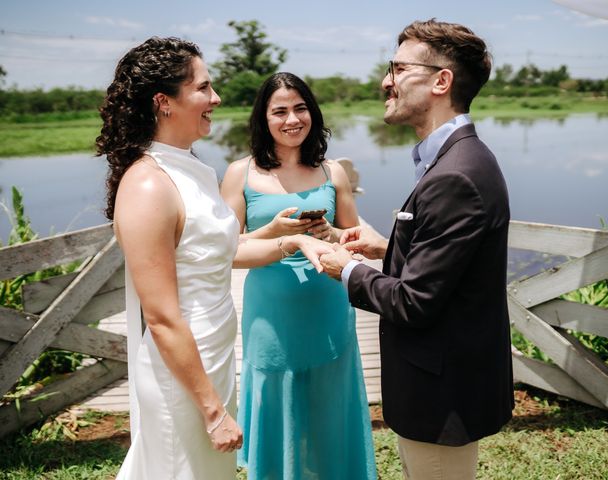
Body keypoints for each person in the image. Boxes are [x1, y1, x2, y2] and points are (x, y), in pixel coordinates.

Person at [96, 38, 332, 480]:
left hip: (214, 357)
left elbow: (222, 252)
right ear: (165, 102)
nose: (216, 98)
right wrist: (211, 410)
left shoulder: (193, 169)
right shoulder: (148, 184)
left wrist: (293, 241)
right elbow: (163, 316)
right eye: (203, 88)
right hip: (183, 375)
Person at [320, 19, 514, 479]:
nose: (385, 81)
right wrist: (387, 249)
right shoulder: (454, 160)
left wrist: (346, 268)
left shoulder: (455, 175)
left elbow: (414, 303)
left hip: (442, 397)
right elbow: (453, 265)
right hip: (441, 387)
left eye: (397, 68)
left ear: (440, 81)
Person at [221, 72, 377, 480]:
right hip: (270, 314)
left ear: (313, 112)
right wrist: (277, 233)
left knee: (329, 404)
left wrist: (334, 235)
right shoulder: (240, 173)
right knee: (277, 397)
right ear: (263, 118)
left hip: (328, 306)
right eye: (280, 111)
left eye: (300, 108)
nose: (292, 119)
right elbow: (227, 250)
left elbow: (353, 241)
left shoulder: (332, 172)